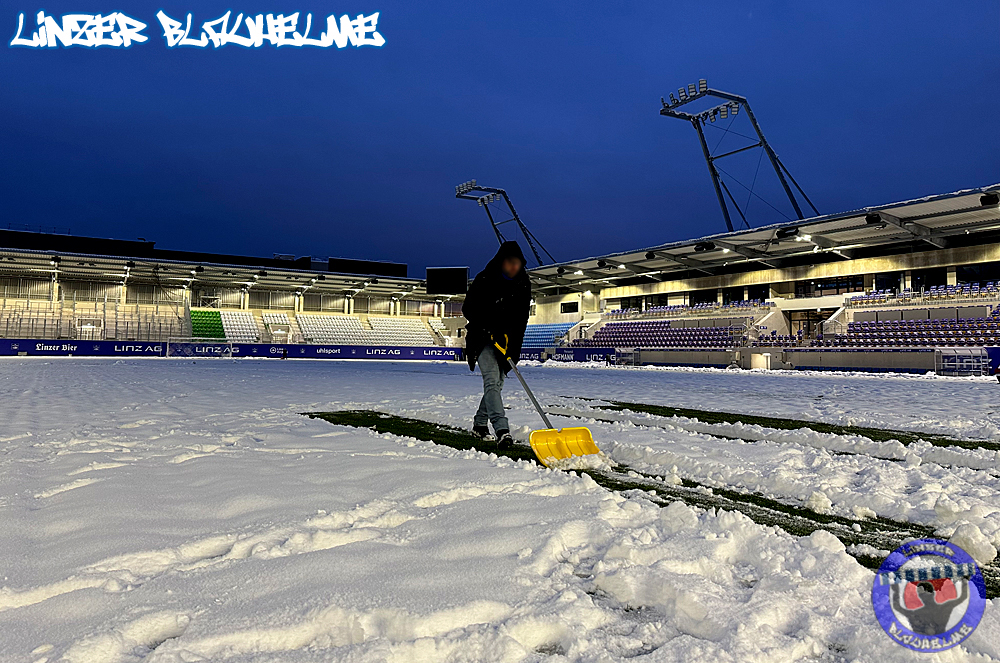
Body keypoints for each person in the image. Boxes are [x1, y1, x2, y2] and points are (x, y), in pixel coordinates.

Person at [462, 241, 531, 448]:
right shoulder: (485, 279)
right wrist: (488, 327)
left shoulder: (523, 284)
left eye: (517, 263)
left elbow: (521, 320)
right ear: (501, 262)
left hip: (506, 342)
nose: (514, 267)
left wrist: (514, 350)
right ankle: (502, 430)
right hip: (482, 339)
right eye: (510, 262)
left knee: (497, 385)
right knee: (492, 382)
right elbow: (468, 309)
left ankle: (479, 424)